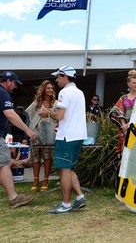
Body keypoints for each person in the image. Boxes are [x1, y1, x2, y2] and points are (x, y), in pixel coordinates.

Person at [39, 65, 87, 214]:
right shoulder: (79, 92)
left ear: (65, 76)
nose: (56, 79)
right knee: (69, 168)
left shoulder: (64, 92)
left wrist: (48, 113)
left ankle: (65, 204)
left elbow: (60, 116)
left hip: (66, 136)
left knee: (64, 170)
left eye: (58, 76)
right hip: (78, 136)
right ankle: (79, 197)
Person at [0, 71, 37, 208]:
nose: (15, 87)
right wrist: (28, 131)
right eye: (15, 84)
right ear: (9, 81)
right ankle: (14, 198)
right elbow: (11, 115)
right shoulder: (3, 93)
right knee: (3, 165)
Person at [25, 80, 57, 192]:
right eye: (48, 88)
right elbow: (30, 118)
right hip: (36, 132)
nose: (50, 90)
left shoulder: (56, 104)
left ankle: (46, 180)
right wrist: (29, 132)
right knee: (35, 157)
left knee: (47, 156)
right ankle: (35, 180)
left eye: (52, 88)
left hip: (49, 132)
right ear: (43, 89)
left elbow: (58, 117)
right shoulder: (35, 104)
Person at [109, 70, 136, 154]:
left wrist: (130, 124)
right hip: (126, 130)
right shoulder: (123, 98)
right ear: (128, 84)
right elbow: (117, 112)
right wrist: (124, 126)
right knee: (126, 154)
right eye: (134, 83)